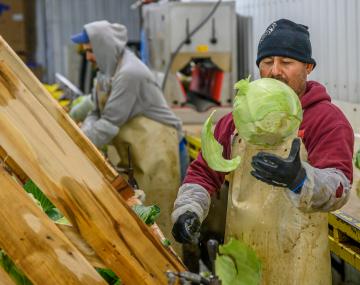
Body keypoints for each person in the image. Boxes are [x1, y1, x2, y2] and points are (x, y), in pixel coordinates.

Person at [171, 19, 354, 283]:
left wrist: (301, 179)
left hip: (299, 267)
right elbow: (203, 172)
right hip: (242, 260)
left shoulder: (326, 120)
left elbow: (339, 188)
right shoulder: (238, 118)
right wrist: (189, 209)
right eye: (267, 61)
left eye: (286, 62)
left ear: (308, 67)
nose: (275, 71)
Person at [71, 20, 188, 248]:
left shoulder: (129, 73)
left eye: (90, 51)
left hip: (160, 151)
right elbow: (96, 111)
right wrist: (82, 133)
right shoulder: (106, 73)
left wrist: (76, 145)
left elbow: (108, 124)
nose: (88, 58)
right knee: (143, 220)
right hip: (139, 152)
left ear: (103, 47)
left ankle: (174, 275)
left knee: (160, 219)